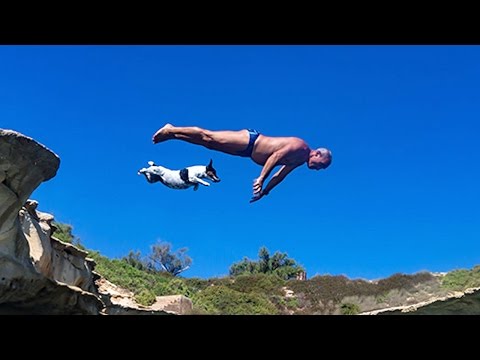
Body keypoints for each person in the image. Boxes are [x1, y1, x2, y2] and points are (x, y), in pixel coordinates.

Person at [152, 124, 332, 203]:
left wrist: (265, 192)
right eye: (320, 164)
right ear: (316, 153)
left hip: (246, 153)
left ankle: (173, 136)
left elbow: (280, 175)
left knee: (209, 145)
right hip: (251, 141)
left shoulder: (299, 161)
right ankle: (171, 129)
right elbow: (275, 157)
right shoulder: (300, 147)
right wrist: (261, 178)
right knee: (209, 136)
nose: (318, 169)